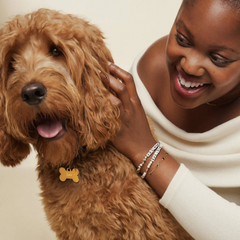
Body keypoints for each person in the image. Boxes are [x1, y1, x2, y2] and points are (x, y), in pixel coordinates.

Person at [100, 0, 240, 239]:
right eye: (182, 39)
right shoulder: (150, 72)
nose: (189, 65)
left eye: (218, 58)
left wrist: (146, 152)